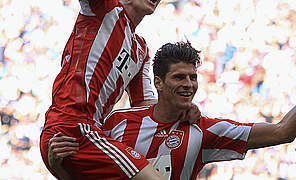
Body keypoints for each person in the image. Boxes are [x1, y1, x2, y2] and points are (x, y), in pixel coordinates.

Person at [49, 41, 296, 180]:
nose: (189, 84)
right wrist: (58, 166)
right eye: (179, 77)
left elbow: (283, 132)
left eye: (193, 77)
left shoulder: (203, 130)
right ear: (158, 82)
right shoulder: (117, 123)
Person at [40, 0, 200, 179]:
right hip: (71, 127)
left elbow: (147, 106)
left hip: (91, 132)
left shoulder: (140, 50)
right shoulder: (104, 9)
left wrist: (181, 107)